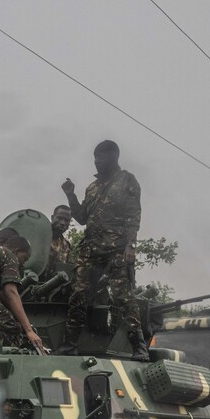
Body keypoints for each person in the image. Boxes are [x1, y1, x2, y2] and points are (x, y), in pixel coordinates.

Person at [57, 140, 148, 361]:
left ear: (114, 157)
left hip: (116, 250)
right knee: (78, 296)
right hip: (90, 250)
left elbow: (133, 215)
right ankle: (70, 346)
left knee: (123, 297)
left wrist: (131, 246)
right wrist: (71, 194)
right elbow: (81, 218)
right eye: (95, 157)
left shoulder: (127, 180)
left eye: (101, 157)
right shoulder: (92, 187)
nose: (97, 162)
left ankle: (139, 347)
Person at [43, 204, 76, 278]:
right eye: (59, 218)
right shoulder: (39, 235)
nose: (63, 223)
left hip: (52, 287)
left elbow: (68, 269)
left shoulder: (67, 246)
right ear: (52, 217)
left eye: (67, 220)